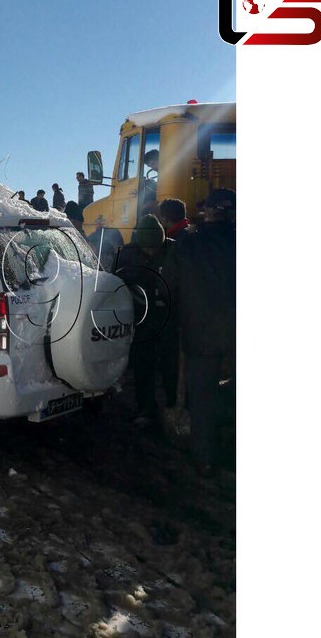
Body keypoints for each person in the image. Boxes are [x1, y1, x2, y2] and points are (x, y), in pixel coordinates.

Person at [161, 189, 236, 475]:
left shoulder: (188, 243)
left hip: (200, 332)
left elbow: (168, 284)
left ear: (208, 212)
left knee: (202, 395)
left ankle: (204, 457)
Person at [115, 215, 178, 426]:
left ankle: (174, 405)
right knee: (144, 365)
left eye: (156, 248)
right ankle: (146, 409)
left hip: (170, 318)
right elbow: (117, 281)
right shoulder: (128, 254)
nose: (152, 252)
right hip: (142, 319)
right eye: (148, 248)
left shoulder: (174, 251)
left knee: (172, 364)